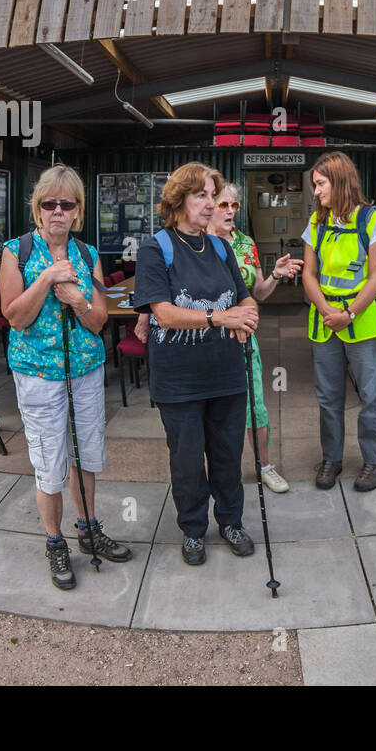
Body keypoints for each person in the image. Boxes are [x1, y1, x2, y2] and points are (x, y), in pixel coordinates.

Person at [0, 164, 131, 591]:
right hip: (39, 376)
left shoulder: (89, 254)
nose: (57, 211)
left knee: (86, 455)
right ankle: (55, 542)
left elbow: (98, 322)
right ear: (37, 209)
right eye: (49, 203)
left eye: (66, 204)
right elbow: (14, 317)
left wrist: (76, 298)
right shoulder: (15, 251)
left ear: (78, 211)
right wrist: (47, 278)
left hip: (86, 372)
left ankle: (89, 528)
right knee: (49, 462)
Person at [131, 163, 260, 566]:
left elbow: (245, 296)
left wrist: (248, 317)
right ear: (178, 200)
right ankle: (192, 529)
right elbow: (163, 314)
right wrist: (221, 319)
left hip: (226, 374)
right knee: (187, 461)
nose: (210, 204)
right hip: (179, 379)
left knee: (227, 454)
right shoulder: (156, 248)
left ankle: (231, 521)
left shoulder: (221, 247)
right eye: (201, 195)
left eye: (212, 195)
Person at [301, 151, 376, 492]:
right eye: (315, 185)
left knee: (372, 394)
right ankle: (332, 458)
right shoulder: (315, 223)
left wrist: (349, 313)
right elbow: (309, 275)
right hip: (325, 321)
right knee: (328, 397)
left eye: (321, 184)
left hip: (364, 320)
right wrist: (328, 311)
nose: (316, 192)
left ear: (340, 182)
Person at [210, 181, 303, 491]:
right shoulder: (196, 243)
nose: (230, 211)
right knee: (213, 409)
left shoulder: (245, 243)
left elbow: (259, 292)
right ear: (209, 206)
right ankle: (219, 473)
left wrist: (275, 274)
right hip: (207, 339)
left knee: (256, 406)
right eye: (224, 205)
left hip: (243, 339)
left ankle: (265, 466)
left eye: (234, 206)